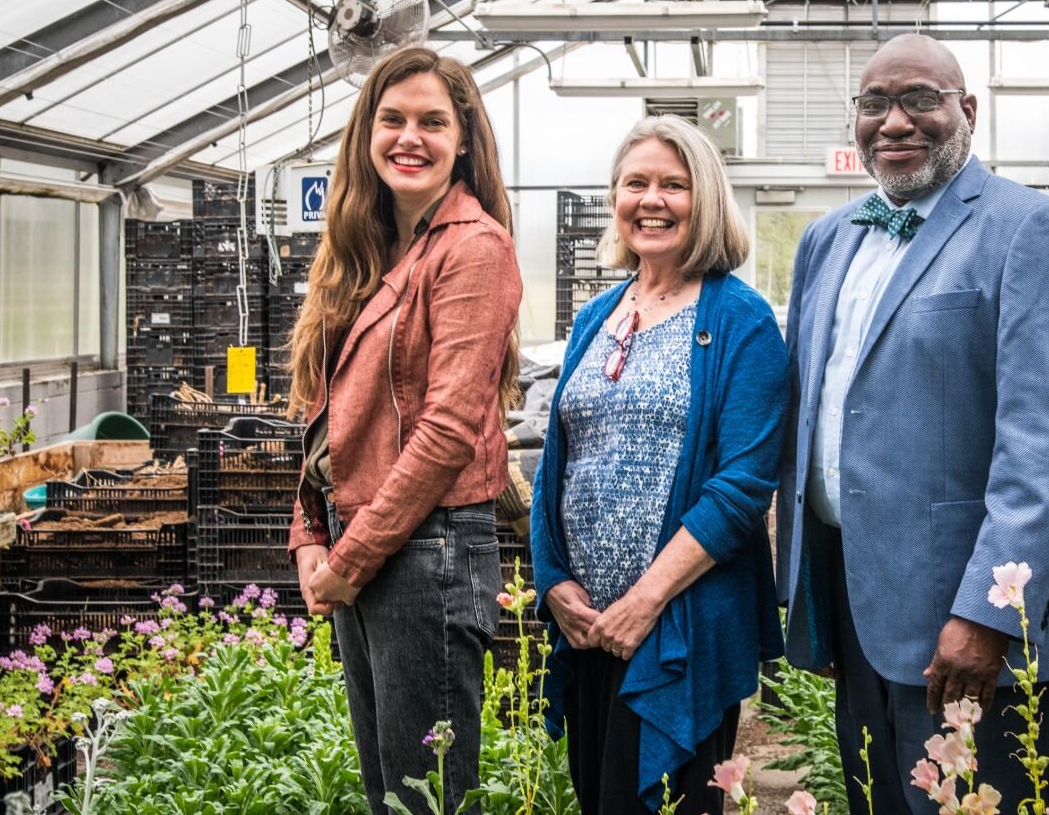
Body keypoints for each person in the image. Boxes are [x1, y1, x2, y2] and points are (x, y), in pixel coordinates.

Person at [776, 33, 1049, 814]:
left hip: (967, 625)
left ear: (968, 111)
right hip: (858, 605)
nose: (895, 121)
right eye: (874, 104)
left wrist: (987, 615)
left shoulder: (1031, 229)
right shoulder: (829, 240)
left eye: (920, 99)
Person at [285, 46, 523, 814]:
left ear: (463, 141)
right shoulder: (367, 249)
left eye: (432, 122)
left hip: (430, 551)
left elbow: (449, 428)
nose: (409, 138)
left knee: (429, 799)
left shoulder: (472, 247)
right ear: (366, 133)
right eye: (392, 119)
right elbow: (326, 418)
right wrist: (309, 533)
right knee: (393, 790)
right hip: (377, 544)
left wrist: (349, 557)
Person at [530, 115, 790, 815]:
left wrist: (642, 605)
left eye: (673, 185)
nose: (652, 199)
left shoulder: (741, 321)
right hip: (588, 629)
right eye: (635, 182)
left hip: (674, 633)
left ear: (704, 200)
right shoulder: (599, 314)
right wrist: (553, 583)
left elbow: (741, 490)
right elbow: (559, 460)